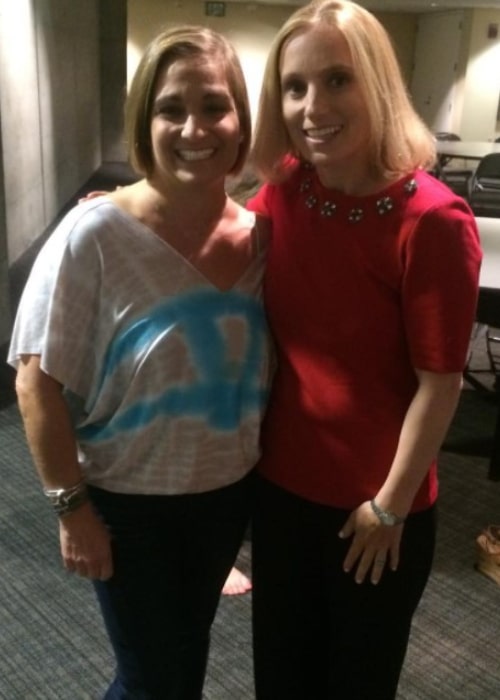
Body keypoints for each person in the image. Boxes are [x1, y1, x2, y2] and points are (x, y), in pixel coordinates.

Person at [8, 25, 270, 699]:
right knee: (157, 679)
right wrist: (72, 509)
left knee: (179, 664)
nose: (194, 127)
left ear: (241, 120)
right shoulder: (93, 234)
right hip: (129, 506)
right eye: (170, 108)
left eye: (214, 105)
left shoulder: (265, 239)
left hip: (226, 496)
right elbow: (35, 385)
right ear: (142, 121)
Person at [246, 1, 482, 698]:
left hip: (376, 507)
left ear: (376, 83)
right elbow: (220, 249)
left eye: (337, 80)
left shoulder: (432, 219)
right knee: (282, 678)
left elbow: (441, 385)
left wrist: (389, 506)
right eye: (295, 87)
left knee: (356, 684)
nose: (313, 106)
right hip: (281, 490)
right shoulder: (288, 189)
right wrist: (127, 214)